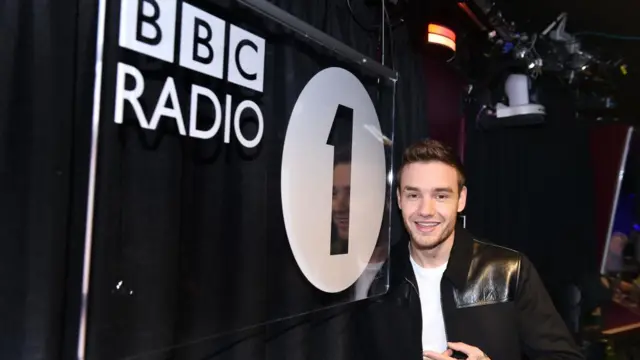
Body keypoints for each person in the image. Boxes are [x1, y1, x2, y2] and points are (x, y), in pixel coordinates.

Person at [354, 139, 583, 360]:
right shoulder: (377, 280)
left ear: (461, 200)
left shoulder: (508, 271)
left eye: (441, 196)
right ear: (399, 200)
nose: (426, 210)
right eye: (413, 195)